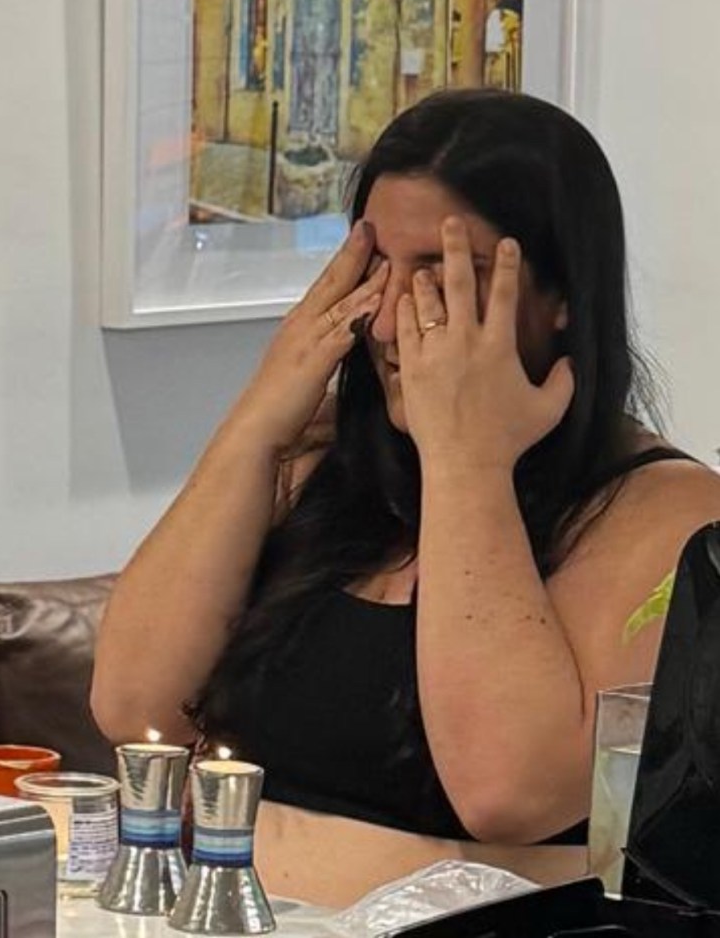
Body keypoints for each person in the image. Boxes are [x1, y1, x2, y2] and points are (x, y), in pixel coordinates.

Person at [91, 88, 720, 907]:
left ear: (563, 296)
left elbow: (509, 794)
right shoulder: (323, 467)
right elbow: (133, 707)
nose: (389, 321)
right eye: (378, 268)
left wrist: (466, 456)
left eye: (447, 274)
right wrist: (258, 420)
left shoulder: (669, 513)